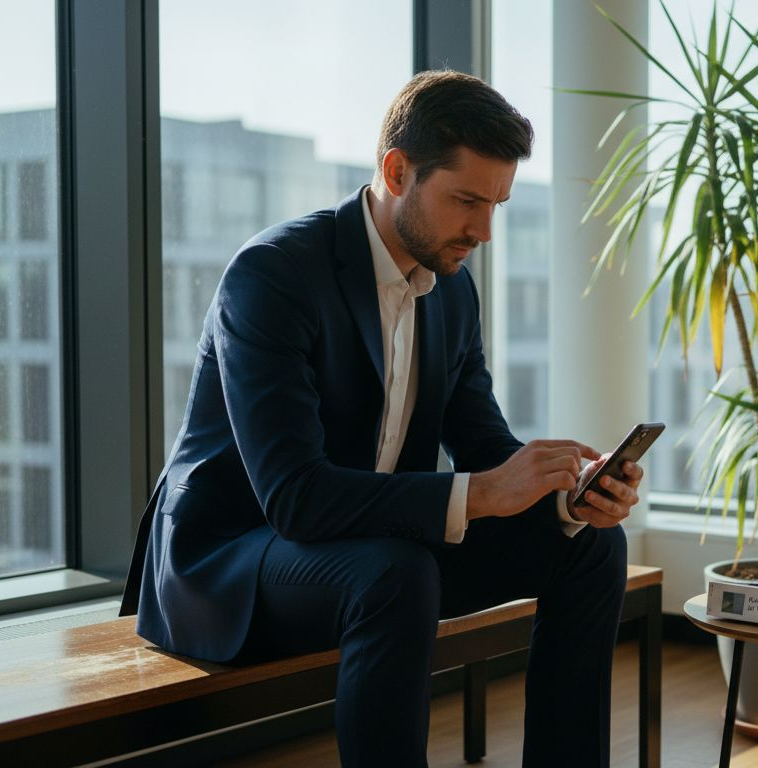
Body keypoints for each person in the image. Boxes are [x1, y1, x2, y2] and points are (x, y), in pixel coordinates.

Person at [120, 70, 643, 767]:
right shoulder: (274, 275)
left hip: (376, 549)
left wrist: (569, 497)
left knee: (588, 546)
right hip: (238, 557)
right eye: (465, 201)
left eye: (497, 205)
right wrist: (484, 493)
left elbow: (484, 447)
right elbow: (295, 497)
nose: (483, 231)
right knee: (394, 573)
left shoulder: (451, 292)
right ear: (398, 171)